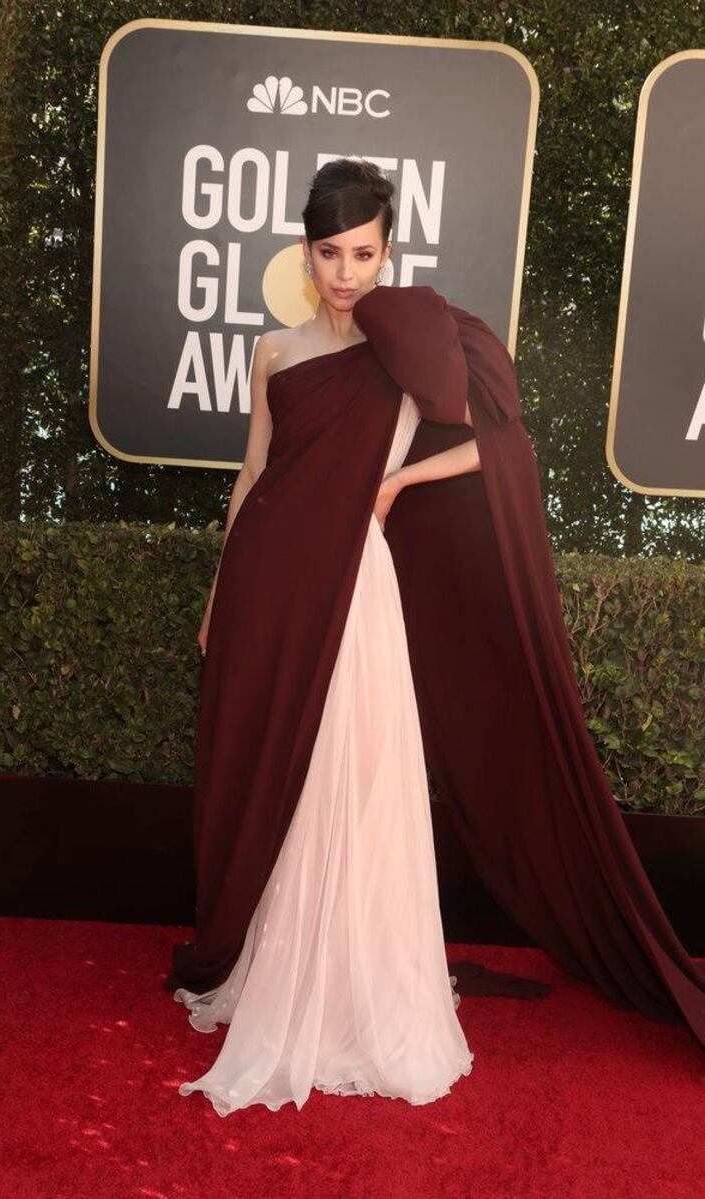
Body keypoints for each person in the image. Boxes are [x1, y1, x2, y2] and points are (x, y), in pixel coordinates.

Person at [166, 158, 705, 1116]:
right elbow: (251, 475)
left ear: (388, 250)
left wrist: (393, 484)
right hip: (267, 581)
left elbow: (494, 442)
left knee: (351, 772)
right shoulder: (275, 350)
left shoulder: (408, 346)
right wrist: (217, 591)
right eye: (328, 252)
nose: (345, 272)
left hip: (354, 584)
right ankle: (270, 957)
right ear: (305, 252)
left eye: (363, 252)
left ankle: (350, 983)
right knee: (269, 768)